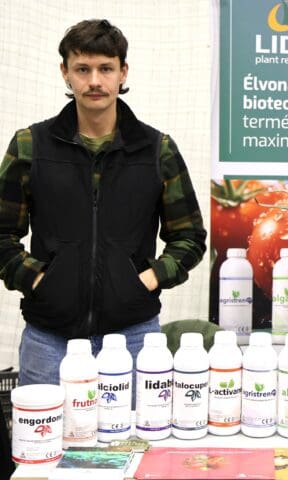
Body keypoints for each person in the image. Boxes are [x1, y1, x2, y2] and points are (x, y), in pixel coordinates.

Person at [0, 19, 207, 387]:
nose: (94, 80)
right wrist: (38, 280)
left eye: (105, 68)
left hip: (134, 336)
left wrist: (146, 280)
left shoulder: (157, 150)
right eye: (82, 69)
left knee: (136, 427)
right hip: (49, 339)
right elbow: (1, 234)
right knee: (45, 427)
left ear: (122, 72)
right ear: (65, 73)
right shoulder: (30, 145)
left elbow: (189, 236)